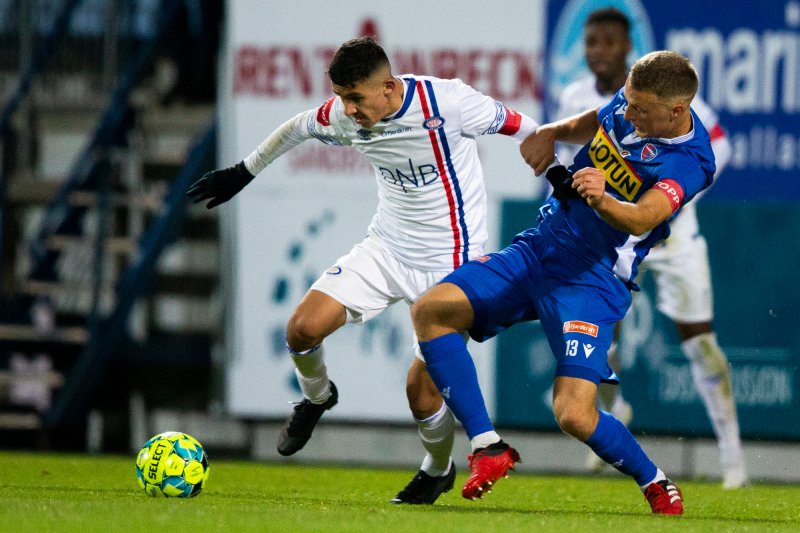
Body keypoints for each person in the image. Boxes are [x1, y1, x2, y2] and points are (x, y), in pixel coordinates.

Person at [186, 37, 541, 505]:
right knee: (301, 329)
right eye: (341, 97)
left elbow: (528, 127)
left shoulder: (449, 103)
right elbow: (297, 128)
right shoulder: (342, 114)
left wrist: (557, 173)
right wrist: (242, 172)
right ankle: (316, 398)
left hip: (452, 264)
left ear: (389, 87)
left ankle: (436, 470)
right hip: (387, 248)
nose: (347, 109)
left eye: (356, 97)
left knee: (420, 394)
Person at [412, 50, 715, 515]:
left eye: (639, 109)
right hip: (541, 246)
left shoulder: (691, 161)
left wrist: (603, 200)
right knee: (431, 311)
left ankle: (653, 479)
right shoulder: (633, 102)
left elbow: (642, 218)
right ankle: (488, 446)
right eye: (627, 102)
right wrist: (551, 132)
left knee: (574, 414)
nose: (627, 113)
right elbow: (598, 118)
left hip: (592, 279)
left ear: (676, 112)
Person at [555, 8, 747, 489]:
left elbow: (717, 145)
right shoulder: (576, 96)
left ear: (627, 46)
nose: (598, 51)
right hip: (611, 233)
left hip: (672, 233)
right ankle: (614, 414)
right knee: (599, 337)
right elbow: (569, 160)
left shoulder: (663, 88)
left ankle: (733, 462)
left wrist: (674, 196)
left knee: (700, 341)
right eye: (591, 42)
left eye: (608, 42)